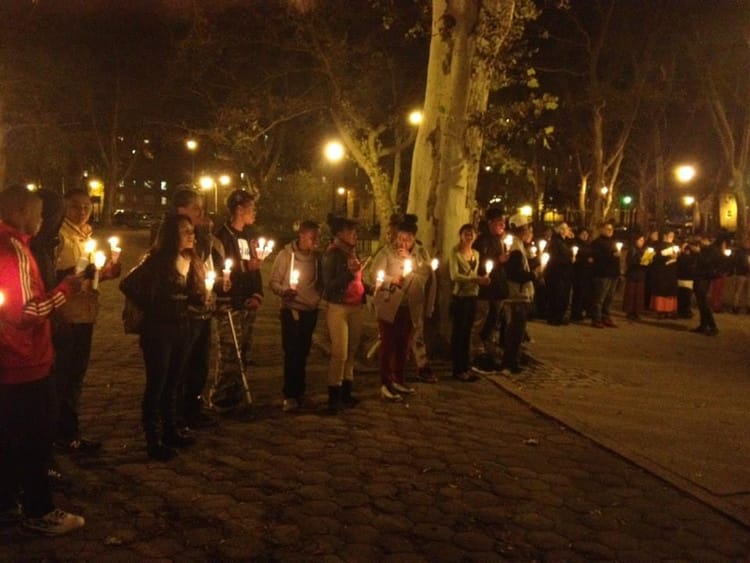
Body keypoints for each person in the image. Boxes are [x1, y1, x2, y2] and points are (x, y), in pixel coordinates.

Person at [0, 185, 85, 535]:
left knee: (8, 438)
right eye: (37, 213)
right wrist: (67, 289)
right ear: (20, 211)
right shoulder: (13, 250)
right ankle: (40, 510)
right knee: (36, 438)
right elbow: (28, 311)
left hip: (8, 359)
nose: (41, 220)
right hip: (24, 359)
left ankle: (6, 503)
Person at [120, 214, 205, 460]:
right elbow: (129, 284)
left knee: (174, 382)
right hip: (158, 331)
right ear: (170, 235)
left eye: (192, 230)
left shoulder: (191, 260)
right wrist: (157, 304)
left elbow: (195, 294)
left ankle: (171, 430)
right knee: (157, 383)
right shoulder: (157, 261)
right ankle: (153, 438)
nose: (191, 235)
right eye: (184, 231)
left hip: (182, 327)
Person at [53, 188, 121, 453]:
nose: (82, 212)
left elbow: (87, 277)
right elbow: (61, 275)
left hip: (85, 313)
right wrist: (82, 275)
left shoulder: (84, 235)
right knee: (65, 377)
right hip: (67, 315)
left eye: (86, 207)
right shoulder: (61, 236)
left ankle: (69, 431)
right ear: (64, 208)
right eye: (75, 207)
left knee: (75, 377)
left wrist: (104, 273)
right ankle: (63, 434)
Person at [166, 188, 220, 429]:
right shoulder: (173, 235)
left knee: (200, 362)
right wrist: (205, 232)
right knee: (182, 364)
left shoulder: (195, 233)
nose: (202, 212)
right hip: (185, 312)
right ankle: (175, 414)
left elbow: (206, 263)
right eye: (196, 208)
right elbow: (200, 255)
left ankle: (192, 408)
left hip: (202, 308)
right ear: (181, 210)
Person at [211, 189, 264, 413]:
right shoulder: (221, 237)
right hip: (228, 302)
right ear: (239, 209)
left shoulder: (249, 237)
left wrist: (257, 294)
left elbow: (256, 267)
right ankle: (220, 397)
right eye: (251, 208)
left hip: (247, 301)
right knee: (229, 351)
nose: (255, 212)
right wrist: (244, 269)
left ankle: (236, 394)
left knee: (243, 349)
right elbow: (219, 270)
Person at [370, 215, 431, 399]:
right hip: (390, 304)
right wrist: (391, 280)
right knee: (388, 343)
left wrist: (414, 262)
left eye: (407, 239)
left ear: (414, 238)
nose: (403, 243)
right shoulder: (387, 252)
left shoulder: (420, 252)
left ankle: (399, 379)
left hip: (409, 305)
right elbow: (374, 275)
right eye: (400, 238)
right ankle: (385, 383)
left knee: (403, 344)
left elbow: (428, 271)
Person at [269, 220, 322, 412]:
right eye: (311, 238)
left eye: (317, 237)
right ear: (301, 236)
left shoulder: (316, 258)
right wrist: (285, 291)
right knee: (292, 353)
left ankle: (300, 391)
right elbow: (273, 282)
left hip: (310, 311)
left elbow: (320, 281)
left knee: (304, 352)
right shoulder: (285, 256)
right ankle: (290, 394)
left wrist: (317, 298)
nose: (315, 241)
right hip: (292, 310)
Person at [321, 215, 366, 414]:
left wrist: (372, 288)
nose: (355, 235)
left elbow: (357, 281)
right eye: (351, 231)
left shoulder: (351, 252)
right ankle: (334, 396)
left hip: (356, 306)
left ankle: (347, 392)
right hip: (338, 307)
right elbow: (328, 286)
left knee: (352, 351)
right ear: (339, 233)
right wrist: (349, 273)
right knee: (340, 352)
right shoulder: (333, 254)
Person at [448, 224, 490, 381]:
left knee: (467, 333)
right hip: (460, 297)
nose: (469, 237)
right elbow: (454, 276)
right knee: (459, 333)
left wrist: (483, 279)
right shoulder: (455, 253)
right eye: (466, 234)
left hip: (473, 295)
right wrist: (474, 279)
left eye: (472, 234)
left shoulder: (476, 254)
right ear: (460, 235)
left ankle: (465, 367)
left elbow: (475, 273)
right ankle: (457, 369)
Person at [500, 214, 539, 374]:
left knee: (516, 331)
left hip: (520, 294)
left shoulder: (519, 246)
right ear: (521, 230)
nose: (529, 231)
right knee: (515, 331)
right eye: (527, 228)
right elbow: (515, 274)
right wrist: (532, 275)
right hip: (517, 295)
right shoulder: (515, 249)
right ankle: (509, 363)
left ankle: (513, 361)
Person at [471, 207, 508, 372]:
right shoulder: (482, 241)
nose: (502, 226)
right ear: (491, 223)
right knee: (481, 322)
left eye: (503, 223)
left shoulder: (499, 240)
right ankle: (476, 354)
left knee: (493, 321)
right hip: (485, 290)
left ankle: (488, 350)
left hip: (497, 289)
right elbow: (482, 262)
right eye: (500, 223)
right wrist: (498, 259)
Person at [589, 220, 622, 328]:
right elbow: (597, 258)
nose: (610, 231)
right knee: (599, 298)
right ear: (601, 230)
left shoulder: (613, 242)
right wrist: (612, 255)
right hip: (602, 274)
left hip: (613, 274)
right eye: (607, 229)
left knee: (609, 298)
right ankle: (596, 319)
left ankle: (606, 317)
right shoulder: (597, 243)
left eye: (611, 229)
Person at [691, 232, 722, 336]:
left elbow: (707, 262)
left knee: (704, 303)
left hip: (704, 278)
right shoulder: (707, 249)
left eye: (702, 240)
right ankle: (703, 325)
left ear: (707, 240)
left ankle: (713, 326)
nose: (701, 242)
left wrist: (699, 252)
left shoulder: (713, 250)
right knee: (701, 303)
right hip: (700, 276)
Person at [544, 222, 574, 325]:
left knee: (563, 295)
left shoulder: (565, 241)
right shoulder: (556, 241)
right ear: (561, 230)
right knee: (557, 295)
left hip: (565, 273)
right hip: (557, 273)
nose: (568, 230)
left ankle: (560, 316)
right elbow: (555, 257)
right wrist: (568, 260)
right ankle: (554, 317)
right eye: (565, 228)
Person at [649, 230, 678, 318]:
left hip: (671, 272)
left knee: (670, 292)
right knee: (661, 291)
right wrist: (665, 256)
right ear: (665, 236)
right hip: (661, 271)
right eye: (670, 235)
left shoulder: (674, 246)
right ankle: (660, 310)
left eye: (673, 236)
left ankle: (669, 310)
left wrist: (675, 256)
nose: (672, 237)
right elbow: (654, 257)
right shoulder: (659, 246)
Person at [570, 227, 593, 321]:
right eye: (583, 234)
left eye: (586, 234)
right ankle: (576, 313)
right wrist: (585, 259)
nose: (585, 236)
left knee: (585, 293)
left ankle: (583, 310)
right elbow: (576, 258)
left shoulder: (588, 244)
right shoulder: (576, 244)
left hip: (587, 273)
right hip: (578, 272)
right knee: (578, 293)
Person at [622, 233, 647, 320]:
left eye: (643, 240)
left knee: (638, 294)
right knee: (631, 294)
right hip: (633, 274)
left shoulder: (644, 250)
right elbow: (629, 262)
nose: (642, 242)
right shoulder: (632, 250)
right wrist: (639, 261)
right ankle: (630, 311)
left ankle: (637, 311)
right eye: (640, 240)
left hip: (641, 274)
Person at [730, 237, 750, 314]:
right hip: (741, 273)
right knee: (738, 291)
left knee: (749, 292)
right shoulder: (739, 252)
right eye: (747, 242)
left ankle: (748, 307)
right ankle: (735, 306)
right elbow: (737, 262)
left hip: (748, 274)